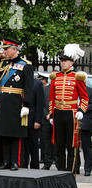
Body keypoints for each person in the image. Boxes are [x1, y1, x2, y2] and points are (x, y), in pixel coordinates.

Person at [0, 38, 34, 171]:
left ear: (14, 49)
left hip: (16, 102)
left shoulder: (26, 65)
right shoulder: (3, 63)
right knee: (3, 133)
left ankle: (15, 161)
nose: (4, 51)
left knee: (15, 134)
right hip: (3, 101)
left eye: (7, 49)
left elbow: (28, 87)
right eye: (4, 49)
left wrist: (27, 105)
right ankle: (5, 161)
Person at [49, 44, 89, 173]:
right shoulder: (56, 77)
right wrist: (51, 113)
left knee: (72, 144)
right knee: (59, 144)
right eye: (61, 61)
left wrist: (81, 110)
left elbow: (84, 97)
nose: (63, 63)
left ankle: (71, 171)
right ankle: (61, 171)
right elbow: (51, 98)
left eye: (65, 61)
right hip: (58, 113)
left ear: (71, 62)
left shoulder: (77, 77)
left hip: (71, 114)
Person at [23, 77, 44, 169]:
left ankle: (34, 166)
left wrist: (38, 120)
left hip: (33, 119)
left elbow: (40, 104)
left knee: (34, 146)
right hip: (22, 118)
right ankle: (23, 165)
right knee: (24, 146)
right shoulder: (20, 81)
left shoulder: (37, 83)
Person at [38, 72, 57, 170]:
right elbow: (41, 103)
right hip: (46, 119)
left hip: (55, 118)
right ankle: (47, 162)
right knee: (45, 142)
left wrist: (52, 114)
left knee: (57, 142)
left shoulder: (58, 90)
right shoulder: (44, 90)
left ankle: (57, 162)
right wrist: (47, 114)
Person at [81, 85, 92, 176]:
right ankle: (75, 168)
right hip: (71, 121)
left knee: (86, 147)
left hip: (86, 122)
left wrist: (81, 109)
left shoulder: (89, 90)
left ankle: (87, 168)